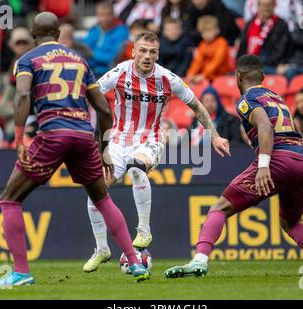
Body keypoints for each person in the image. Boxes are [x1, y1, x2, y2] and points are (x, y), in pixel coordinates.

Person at [0, 12, 150, 287]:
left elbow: (23, 94)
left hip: (53, 134)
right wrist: (105, 148)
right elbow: (103, 109)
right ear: (58, 32)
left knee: (9, 199)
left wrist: (18, 139)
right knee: (102, 199)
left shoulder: (27, 60)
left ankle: (21, 273)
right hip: (83, 136)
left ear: (33, 31)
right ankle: (134, 262)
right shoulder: (80, 60)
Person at [165, 54, 303, 279]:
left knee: (219, 209)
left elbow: (266, 127)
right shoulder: (277, 97)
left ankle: (199, 261)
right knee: (290, 221)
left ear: (238, 76)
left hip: (276, 161)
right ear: (263, 77)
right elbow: (296, 129)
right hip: (300, 160)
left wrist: (264, 166)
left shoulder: (247, 100)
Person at [82, 31, 231, 273]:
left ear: (158, 55)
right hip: (118, 141)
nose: (147, 56)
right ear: (133, 52)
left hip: (150, 139)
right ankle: (102, 249)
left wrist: (213, 134)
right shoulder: (120, 72)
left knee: (137, 168)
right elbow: (92, 93)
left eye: (152, 52)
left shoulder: (167, 78)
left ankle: (144, 231)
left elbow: (196, 105)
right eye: (142, 50)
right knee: (94, 191)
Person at [0, 27, 35, 142]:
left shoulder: (39, 62)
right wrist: (22, 109)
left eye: (25, 42)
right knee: (11, 131)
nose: (22, 46)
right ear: (12, 45)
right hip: (21, 115)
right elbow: (2, 109)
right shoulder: (9, 68)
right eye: (18, 43)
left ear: (31, 44)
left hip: (40, 115)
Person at [237, 0, 291, 75]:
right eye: (263, 5)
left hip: (270, 66)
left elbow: (280, 52)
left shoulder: (281, 25)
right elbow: (242, 48)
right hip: (250, 65)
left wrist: (257, 63)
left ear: (274, 5)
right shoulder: (250, 25)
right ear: (258, 6)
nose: (266, 8)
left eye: (269, 5)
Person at [80, 1, 129, 78]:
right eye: (101, 15)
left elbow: (113, 58)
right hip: (89, 70)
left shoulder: (121, 31)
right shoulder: (94, 30)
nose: (104, 18)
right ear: (97, 16)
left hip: (109, 73)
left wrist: (92, 54)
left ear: (113, 15)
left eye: (107, 15)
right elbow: (84, 50)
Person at [186, 15, 230, 83]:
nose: (206, 34)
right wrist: (191, 73)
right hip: (206, 76)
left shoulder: (222, 42)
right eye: (203, 32)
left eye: (209, 31)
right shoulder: (202, 44)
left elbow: (217, 61)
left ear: (217, 30)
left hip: (221, 74)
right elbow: (197, 61)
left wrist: (204, 75)